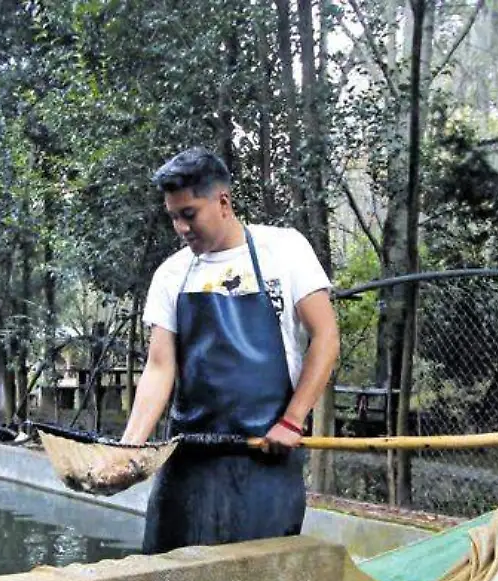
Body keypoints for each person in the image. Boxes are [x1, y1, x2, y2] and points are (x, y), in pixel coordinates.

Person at [118, 147, 339, 554]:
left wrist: (292, 420)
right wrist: (130, 448)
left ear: (223, 203)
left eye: (189, 214)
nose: (181, 228)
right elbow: (159, 367)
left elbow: (326, 337)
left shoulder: (285, 251)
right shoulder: (172, 274)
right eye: (173, 217)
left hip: (266, 456)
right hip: (189, 460)